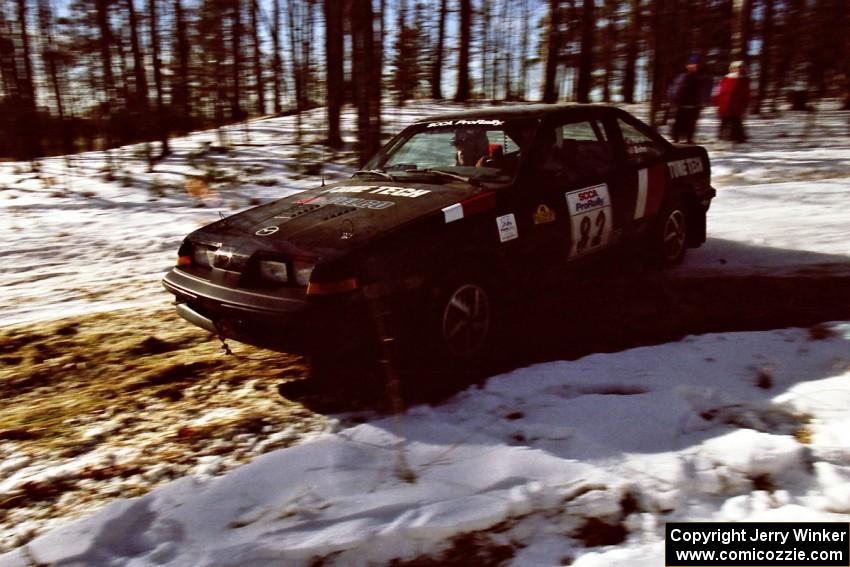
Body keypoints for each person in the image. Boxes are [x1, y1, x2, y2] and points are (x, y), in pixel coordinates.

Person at [670, 55, 704, 144]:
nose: (694, 68)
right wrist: (674, 100)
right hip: (682, 105)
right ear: (687, 66)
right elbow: (674, 89)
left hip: (693, 106)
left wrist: (700, 103)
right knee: (679, 123)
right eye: (692, 65)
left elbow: (701, 92)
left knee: (691, 124)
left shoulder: (699, 78)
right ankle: (676, 138)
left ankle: (689, 139)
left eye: (696, 66)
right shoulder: (682, 77)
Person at [715, 60, 751, 143]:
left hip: (737, 105)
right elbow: (720, 91)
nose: (739, 70)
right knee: (724, 122)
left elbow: (747, 93)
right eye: (737, 68)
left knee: (737, 121)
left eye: (741, 68)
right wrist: (717, 102)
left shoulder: (744, 79)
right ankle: (722, 137)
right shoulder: (726, 78)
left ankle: (738, 138)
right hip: (725, 104)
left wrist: (745, 103)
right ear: (732, 68)